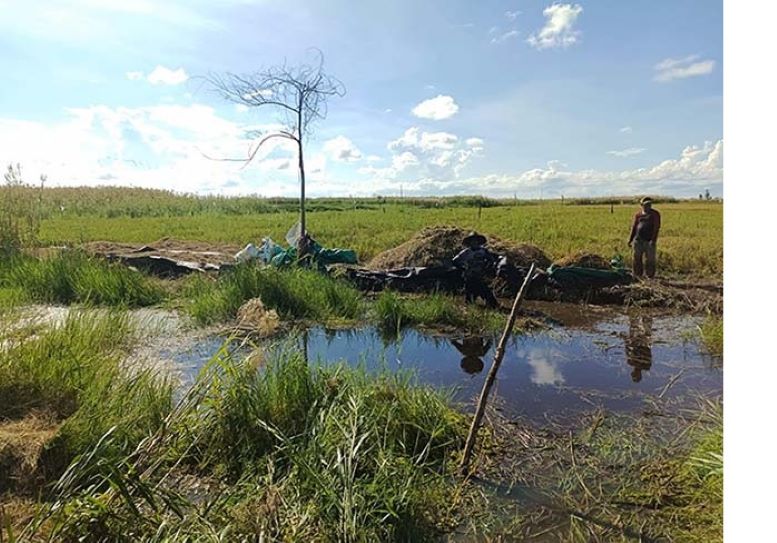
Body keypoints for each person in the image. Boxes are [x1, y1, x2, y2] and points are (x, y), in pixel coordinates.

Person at [452, 232, 500, 309]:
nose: (474, 243)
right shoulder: (466, 252)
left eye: (476, 241)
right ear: (470, 243)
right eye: (472, 241)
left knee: (490, 299)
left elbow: (492, 260)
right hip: (470, 278)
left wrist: (488, 266)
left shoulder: (484, 251)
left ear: (479, 242)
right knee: (470, 300)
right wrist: (462, 268)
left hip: (480, 277)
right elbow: (455, 261)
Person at [628, 197, 661, 278]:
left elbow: (656, 228)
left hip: (649, 240)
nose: (648, 206)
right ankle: (637, 275)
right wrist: (630, 239)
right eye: (646, 205)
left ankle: (650, 276)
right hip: (638, 240)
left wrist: (653, 240)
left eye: (649, 204)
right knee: (637, 258)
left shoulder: (655, 214)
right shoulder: (638, 215)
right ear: (641, 205)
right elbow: (634, 227)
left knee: (650, 259)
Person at [624, 314, 653, 382]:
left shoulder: (631, 362)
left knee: (635, 324)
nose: (634, 373)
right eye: (635, 375)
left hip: (637, 340)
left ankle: (638, 312)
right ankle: (645, 312)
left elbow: (627, 348)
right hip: (644, 342)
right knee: (645, 325)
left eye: (634, 374)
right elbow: (649, 354)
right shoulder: (646, 365)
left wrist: (627, 340)